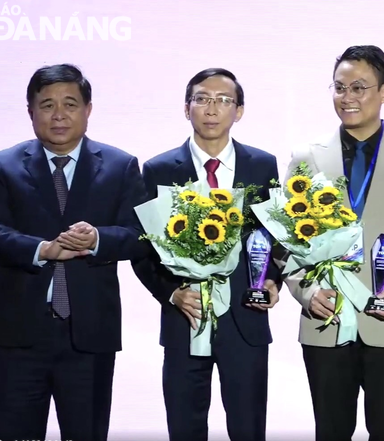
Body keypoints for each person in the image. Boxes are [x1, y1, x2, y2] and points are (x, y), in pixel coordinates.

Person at [281, 45, 384, 441]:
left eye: (359, 87)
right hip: (326, 322)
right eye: (339, 88)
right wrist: (306, 293)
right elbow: (285, 239)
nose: (348, 98)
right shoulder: (306, 156)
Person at [0, 63, 147, 441]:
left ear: (88, 109)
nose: (59, 115)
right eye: (46, 105)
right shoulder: (4, 165)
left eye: (70, 104)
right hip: (18, 333)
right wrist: (42, 249)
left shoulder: (120, 166)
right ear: (30, 112)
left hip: (89, 332)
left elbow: (141, 235)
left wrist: (96, 240)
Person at [131, 68, 283, 441]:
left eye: (223, 101)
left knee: (248, 429)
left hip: (245, 320)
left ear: (239, 111)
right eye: (202, 99)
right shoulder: (159, 169)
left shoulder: (262, 166)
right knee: (184, 428)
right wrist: (171, 291)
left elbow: (277, 235)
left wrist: (273, 282)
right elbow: (141, 247)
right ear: (187, 109)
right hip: (185, 321)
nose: (212, 109)